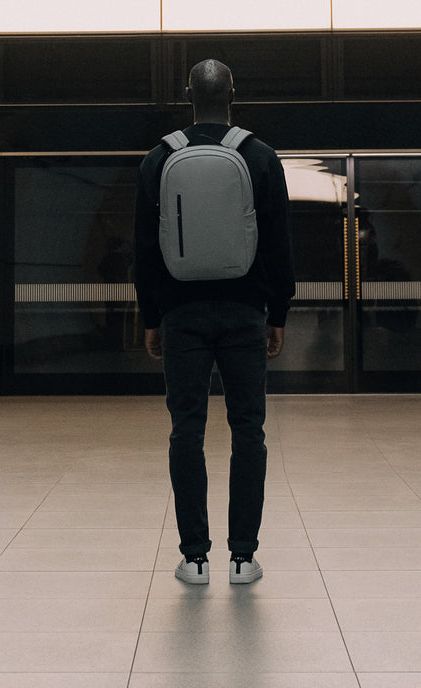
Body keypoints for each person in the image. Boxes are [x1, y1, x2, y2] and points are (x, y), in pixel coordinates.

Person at [134, 59, 294, 585]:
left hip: (180, 315)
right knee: (248, 430)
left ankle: (195, 558)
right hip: (246, 312)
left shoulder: (159, 158)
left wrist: (152, 315)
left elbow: (145, 249)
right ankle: (243, 557)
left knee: (187, 431)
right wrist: (279, 313)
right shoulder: (261, 156)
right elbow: (277, 245)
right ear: (233, 93)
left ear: (188, 95)